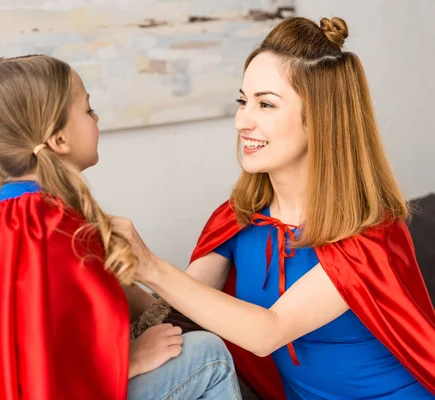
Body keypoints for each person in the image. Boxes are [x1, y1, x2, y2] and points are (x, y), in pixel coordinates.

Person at [113, 17, 435, 399]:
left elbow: (268, 331)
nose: (241, 121)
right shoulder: (238, 217)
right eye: (242, 101)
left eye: (265, 104)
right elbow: (182, 309)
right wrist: (119, 273)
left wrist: (150, 264)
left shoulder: (369, 233)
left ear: (320, 119)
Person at [0, 54, 241, 399]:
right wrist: (128, 361)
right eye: (88, 110)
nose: (96, 118)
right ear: (59, 140)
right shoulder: (55, 227)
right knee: (207, 355)